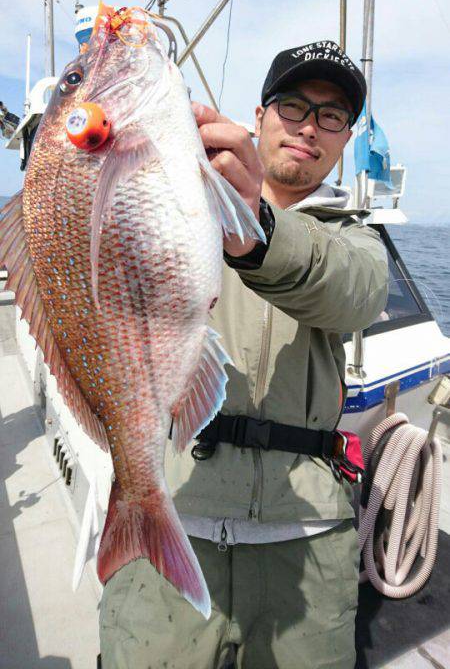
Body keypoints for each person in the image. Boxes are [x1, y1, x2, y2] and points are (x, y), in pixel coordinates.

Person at [99, 41, 389, 669]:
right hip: (171, 519)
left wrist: (255, 224)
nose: (309, 127)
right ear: (258, 116)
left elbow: (353, 295)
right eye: (293, 106)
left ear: (344, 138)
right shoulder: (177, 195)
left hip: (306, 548)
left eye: (332, 116)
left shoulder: (355, 238)